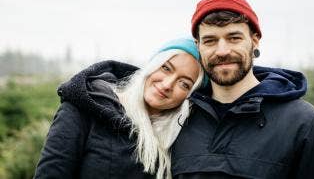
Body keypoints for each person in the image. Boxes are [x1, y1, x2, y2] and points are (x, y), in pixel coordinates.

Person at [171, 0, 314, 179]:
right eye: (210, 41)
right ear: (198, 45)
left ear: (254, 40)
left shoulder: (303, 121)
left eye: (234, 38)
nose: (222, 51)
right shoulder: (178, 117)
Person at [34, 38, 204, 179]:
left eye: (184, 84)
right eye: (166, 68)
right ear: (152, 65)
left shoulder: (183, 136)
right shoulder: (86, 105)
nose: (167, 85)